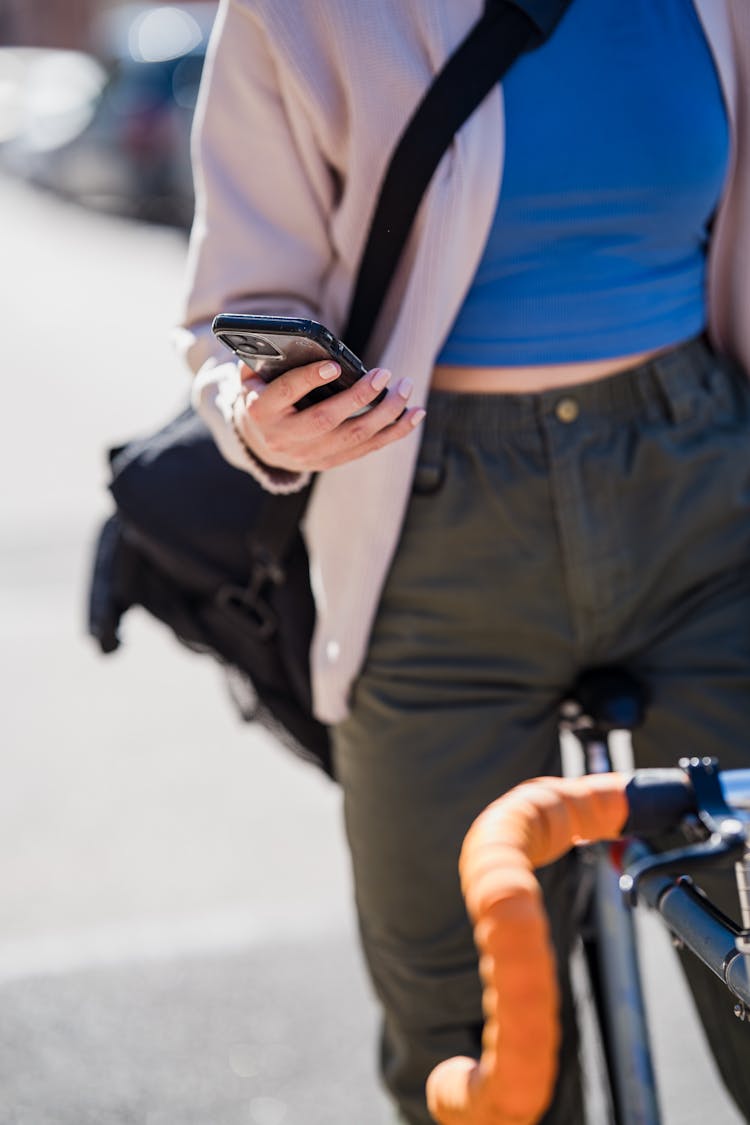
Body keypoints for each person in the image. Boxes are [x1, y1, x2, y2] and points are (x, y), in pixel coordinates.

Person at [175, 1, 750, 1121]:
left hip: (705, 495)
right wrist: (264, 417)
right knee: (474, 1039)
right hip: (426, 532)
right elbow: (229, 316)